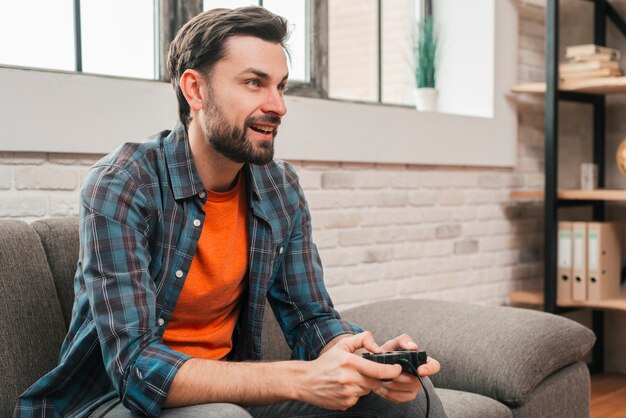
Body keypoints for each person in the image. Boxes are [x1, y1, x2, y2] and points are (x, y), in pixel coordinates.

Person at [15, 6, 446, 418]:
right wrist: (298, 379)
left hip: (230, 396)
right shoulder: (123, 185)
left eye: (281, 86)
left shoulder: (280, 188)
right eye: (254, 83)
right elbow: (135, 369)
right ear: (195, 90)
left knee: (406, 399)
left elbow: (309, 318)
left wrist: (362, 358)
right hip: (112, 400)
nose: (278, 105)